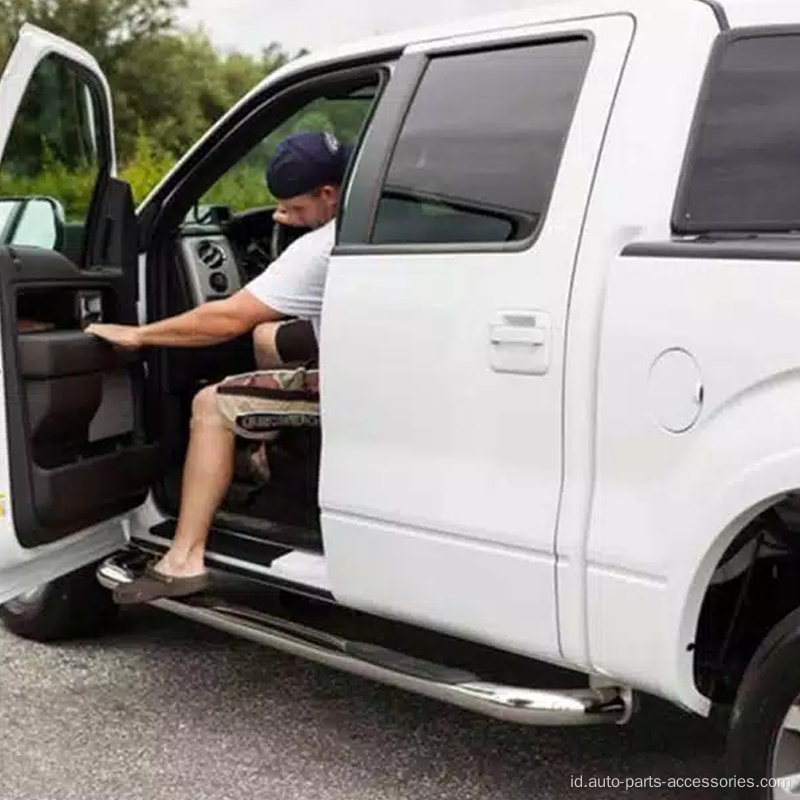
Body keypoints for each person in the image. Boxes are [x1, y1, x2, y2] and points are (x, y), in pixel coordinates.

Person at [86, 131, 351, 604]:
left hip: (352, 381)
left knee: (212, 403)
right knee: (266, 339)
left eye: (292, 208)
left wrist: (139, 334)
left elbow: (227, 318)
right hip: (374, 361)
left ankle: (183, 558)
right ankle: (264, 453)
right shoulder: (370, 219)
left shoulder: (321, 247)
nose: (281, 218)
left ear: (327, 194)